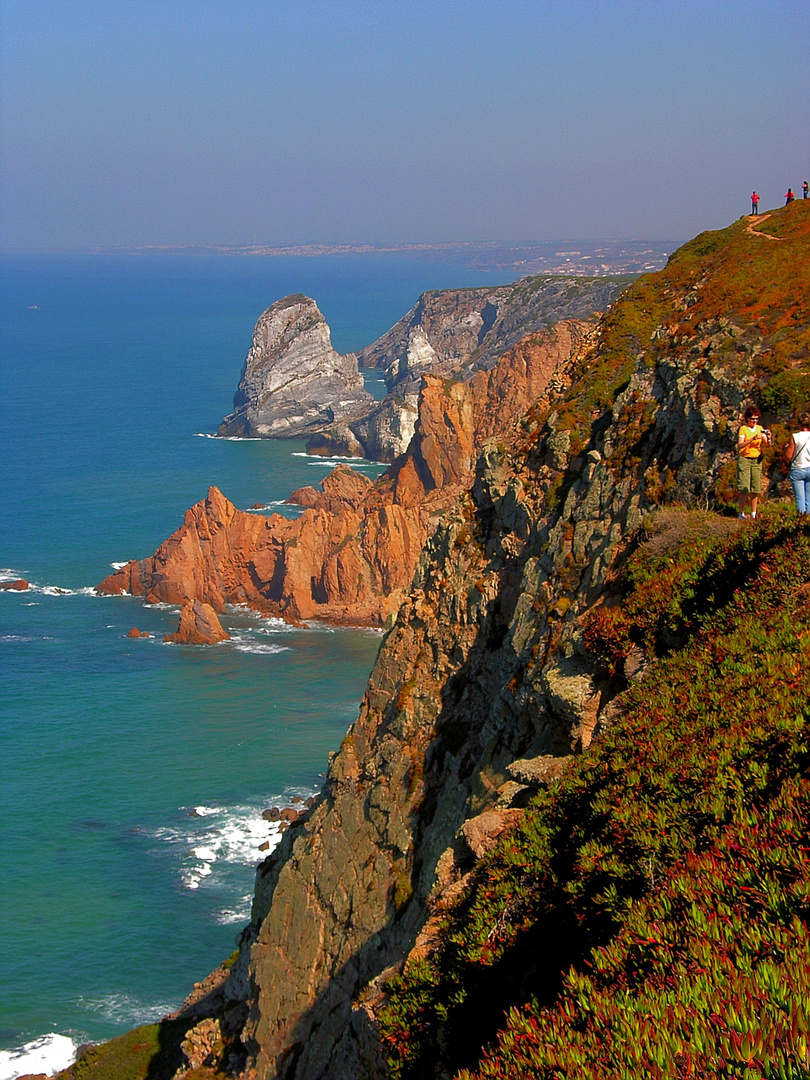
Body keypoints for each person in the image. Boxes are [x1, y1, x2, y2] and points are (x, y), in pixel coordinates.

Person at [737, 405, 770, 519]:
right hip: (745, 459)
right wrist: (752, 439)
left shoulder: (760, 428)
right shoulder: (743, 429)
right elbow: (740, 445)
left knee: (755, 487)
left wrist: (768, 436)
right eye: (752, 419)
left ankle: (754, 513)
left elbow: (767, 444)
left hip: (756, 459)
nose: (755, 421)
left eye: (756, 419)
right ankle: (741, 513)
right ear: (747, 418)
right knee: (744, 487)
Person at [784, 412, 810, 514]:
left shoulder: (795, 437)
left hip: (798, 469)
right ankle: (808, 523)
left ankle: (800, 523)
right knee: (809, 500)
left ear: (799, 424)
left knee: (800, 499)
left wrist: (786, 449)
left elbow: (788, 457)